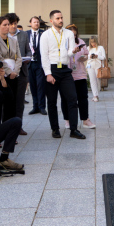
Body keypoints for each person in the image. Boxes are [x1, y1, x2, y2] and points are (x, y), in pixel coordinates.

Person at [38, 10, 84, 139]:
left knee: (72, 99)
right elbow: (44, 56)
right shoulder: (46, 35)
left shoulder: (68, 33)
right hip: (51, 70)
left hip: (65, 70)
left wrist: (73, 50)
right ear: (52, 21)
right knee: (52, 102)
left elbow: (69, 52)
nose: (61, 20)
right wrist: (48, 74)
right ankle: (55, 129)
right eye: (58, 18)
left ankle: (74, 129)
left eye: (62, 18)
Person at [0, 16, 23, 126]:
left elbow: (18, 57)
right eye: (4, 25)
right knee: (0, 101)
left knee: (12, 102)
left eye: (8, 24)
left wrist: (16, 72)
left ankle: (10, 127)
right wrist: (9, 72)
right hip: (1, 74)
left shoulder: (13, 40)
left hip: (14, 74)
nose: (7, 27)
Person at [67, 25, 95, 129]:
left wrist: (85, 57)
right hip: (68, 75)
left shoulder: (81, 42)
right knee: (70, 99)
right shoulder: (64, 43)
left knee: (83, 97)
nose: (73, 36)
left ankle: (85, 120)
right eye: (71, 34)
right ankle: (68, 120)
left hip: (80, 73)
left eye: (75, 34)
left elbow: (87, 54)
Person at [8, 13, 31, 120]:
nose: (13, 26)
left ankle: (18, 124)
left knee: (20, 100)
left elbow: (29, 51)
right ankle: (8, 123)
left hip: (21, 71)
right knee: (8, 99)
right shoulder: (1, 36)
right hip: (7, 72)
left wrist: (28, 57)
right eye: (11, 24)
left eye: (15, 23)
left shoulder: (23, 34)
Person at [24, 16, 47, 116]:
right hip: (30, 63)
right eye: (34, 22)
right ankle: (35, 107)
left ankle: (42, 107)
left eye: (38, 22)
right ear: (30, 23)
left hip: (40, 63)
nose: (36, 23)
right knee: (32, 86)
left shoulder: (44, 33)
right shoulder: (26, 34)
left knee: (41, 85)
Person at [87, 36, 106, 102]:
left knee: (98, 80)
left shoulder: (100, 48)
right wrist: (90, 56)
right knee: (92, 81)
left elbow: (103, 57)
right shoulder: (88, 48)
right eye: (92, 42)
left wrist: (97, 56)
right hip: (90, 65)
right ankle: (95, 95)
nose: (93, 43)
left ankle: (97, 94)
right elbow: (86, 57)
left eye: (94, 42)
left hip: (98, 66)